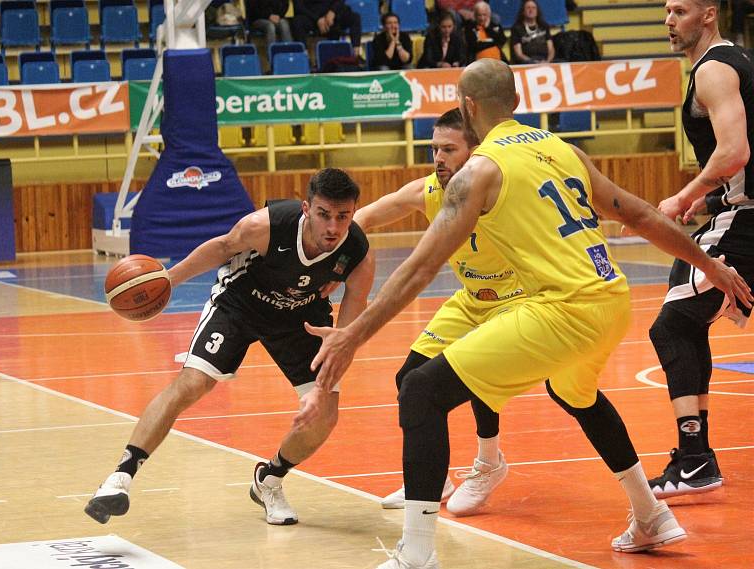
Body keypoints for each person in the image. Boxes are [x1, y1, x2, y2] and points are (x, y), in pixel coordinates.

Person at [299, 59, 753, 567]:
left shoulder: (480, 171)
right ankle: (649, 514)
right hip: (611, 299)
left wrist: (353, 332)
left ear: (468, 106)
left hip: (562, 308)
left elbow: (422, 266)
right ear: (515, 101)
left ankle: (418, 554)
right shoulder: (563, 148)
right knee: (574, 393)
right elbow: (639, 213)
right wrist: (708, 264)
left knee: (421, 390)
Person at [85, 168, 374, 527]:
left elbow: (352, 311)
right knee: (192, 384)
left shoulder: (358, 253)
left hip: (299, 316)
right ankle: (120, 477)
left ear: (353, 213)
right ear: (306, 209)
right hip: (240, 304)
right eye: (324, 214)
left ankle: (269, 480)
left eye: (343, 216)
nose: (333, 226)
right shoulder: (265, 226)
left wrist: (338, 346)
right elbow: (222, 247)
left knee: (325, 414)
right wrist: (170, 279)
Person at [356, 109, 515, 514]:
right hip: (471, 300)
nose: (438, 158)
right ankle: (432, 478)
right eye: (434, 149)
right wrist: (326, 250)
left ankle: (489, 462)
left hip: (517, 299)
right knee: (407, 378)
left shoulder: (504, 187)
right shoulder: (429, 191)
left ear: (475, 151)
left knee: (479, 376)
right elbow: (367, 217)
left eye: (448, 149)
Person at [647, 0, 754, 498]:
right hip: (739, 210)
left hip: (747, 221)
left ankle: (694, 460)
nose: (670, 20)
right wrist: (711, 198)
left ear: (709, 15)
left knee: (673, 325)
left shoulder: (713, 70)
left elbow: (735, 152)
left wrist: (685, 195)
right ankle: (695, 458)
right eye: (667, 10)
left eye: (681, 10)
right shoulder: (739, 62)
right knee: (685, 321)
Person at [291, 0, 363, 58]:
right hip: (311, 16)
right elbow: (298, 6)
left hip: (332, 15)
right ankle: (303, 57)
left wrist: (332, 12)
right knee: (297, 22)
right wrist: (317, 19)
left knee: (355, 17)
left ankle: (356, 55)